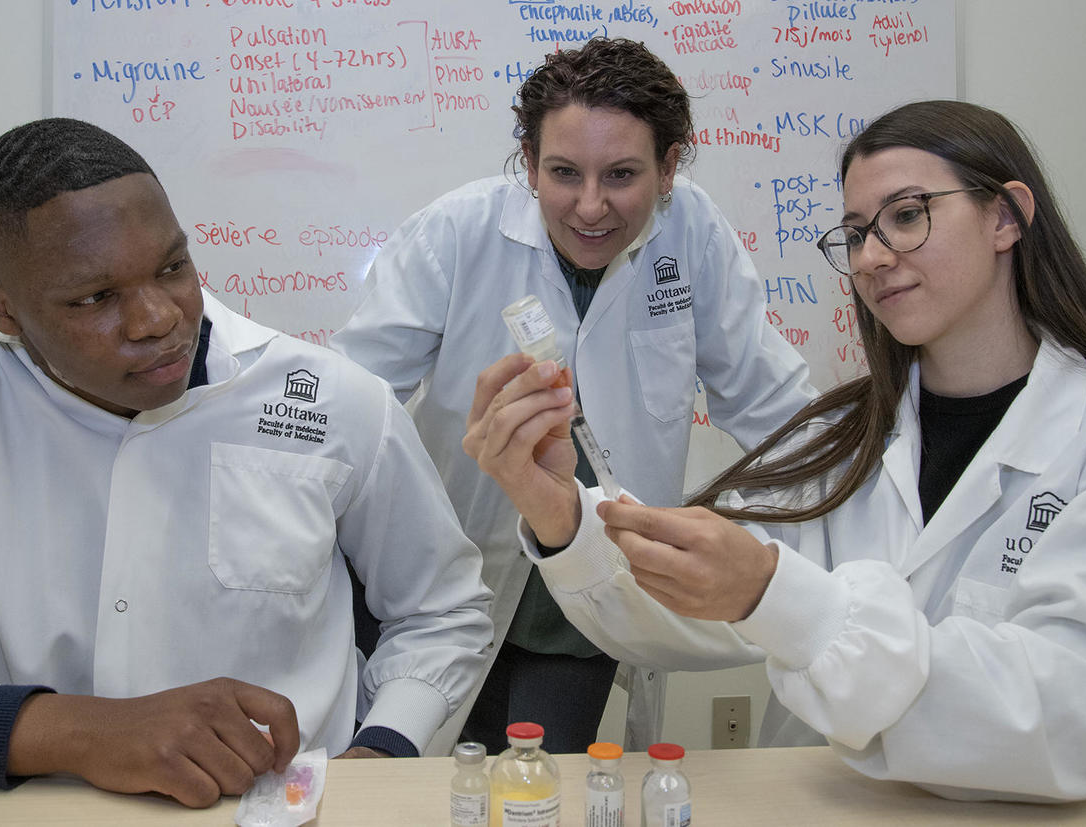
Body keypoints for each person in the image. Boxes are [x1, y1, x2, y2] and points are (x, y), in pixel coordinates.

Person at [464, 99, 1086, 801]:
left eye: (907, 216)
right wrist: (560, 514)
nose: (873, 257)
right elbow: (681, 606)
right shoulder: (838, 442)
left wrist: (782, 600)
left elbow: (1066, 716)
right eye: (856, 234)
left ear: (1006, 216)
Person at [0, 118, 493, 807]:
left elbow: (443, 610)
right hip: (37, 808)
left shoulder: (333, 400)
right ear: (1, 309)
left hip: (274, 807)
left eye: (172, 267)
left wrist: (383, 747)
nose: (157, 319)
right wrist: (73, 730)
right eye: (96, 297)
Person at [331, 38, 814, 754]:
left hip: (586, 598)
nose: (591, 206)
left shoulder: (693, 237)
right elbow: (349, 404)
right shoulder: (456, 234)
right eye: (563, 173)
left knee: (539, 783)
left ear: (669, 166)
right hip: (449, 578)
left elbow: (778, 409)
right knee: (410, 777)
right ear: (529, 163)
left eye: (622, 174)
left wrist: (836, 545)